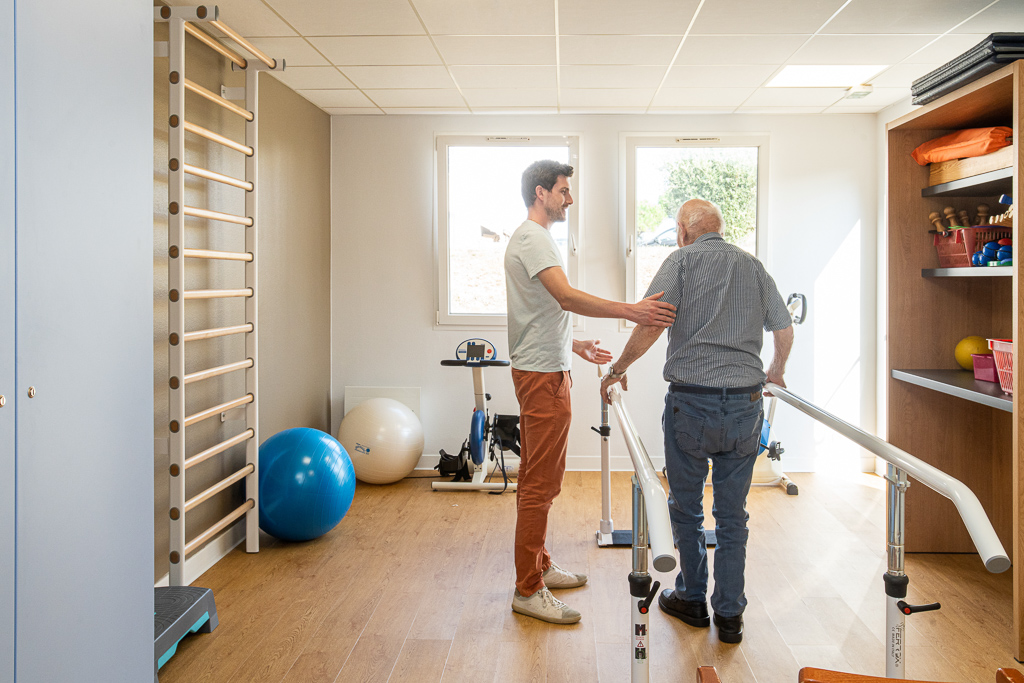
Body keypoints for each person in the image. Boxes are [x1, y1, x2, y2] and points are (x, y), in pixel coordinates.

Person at [600, 198, 793, 643]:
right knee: (732, 515)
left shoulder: (681, 261)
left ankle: (690, 598)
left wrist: (617, 370)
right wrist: (776, 370)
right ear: (719, 229)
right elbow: (783, 329)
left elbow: (650, 324)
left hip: (692, 404)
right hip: (745, 405)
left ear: (685, 230)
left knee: (685, 509)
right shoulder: (753, 266)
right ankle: (729, 615)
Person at [505, 160, 677, 625]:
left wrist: (573, 344)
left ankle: (537, 564)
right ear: (541, 192)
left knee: (544, 481)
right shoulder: (532, 237)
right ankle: (527, 588)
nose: (570, 199)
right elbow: (564, 297)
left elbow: (539, 311)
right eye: (563, 191)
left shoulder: (534, 239)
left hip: (547, 367)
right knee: (539, 486)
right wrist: (631, 310)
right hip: (542, 376)